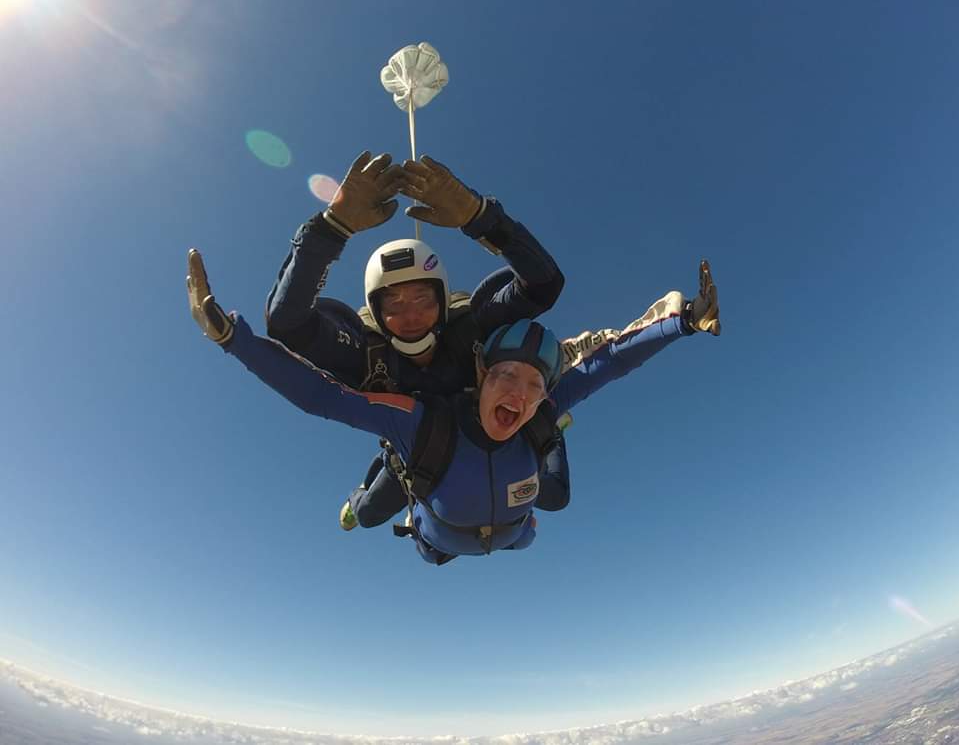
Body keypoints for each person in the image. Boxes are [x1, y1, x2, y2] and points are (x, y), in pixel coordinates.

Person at [187, 250, 721, 565]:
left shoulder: (532, 409)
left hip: (510, 526)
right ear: (482, 375)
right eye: (506, 376)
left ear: (543, 394)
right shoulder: (418, 423)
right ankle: (371, 498)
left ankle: (555, 433)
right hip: (439, 489)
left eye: (533, 386)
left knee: (553, 499)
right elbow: (319, 397)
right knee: (370, 517)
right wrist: (235, 340)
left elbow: (607, 365)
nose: (516, 393)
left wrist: (684, 322)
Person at [263, 151, 573, 522]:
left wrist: (482, 217)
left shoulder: (470, 325)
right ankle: (362, 497)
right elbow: (287, 324)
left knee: (553, 496)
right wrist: (331, 228)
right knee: (368, 514)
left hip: (490, 427)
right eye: (392, 303)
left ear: (443, 300)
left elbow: (544, 284)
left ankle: (545, 423)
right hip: (422, 448)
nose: (410, 316)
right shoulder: (368, 353)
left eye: (423, 299)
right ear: (374, 312)